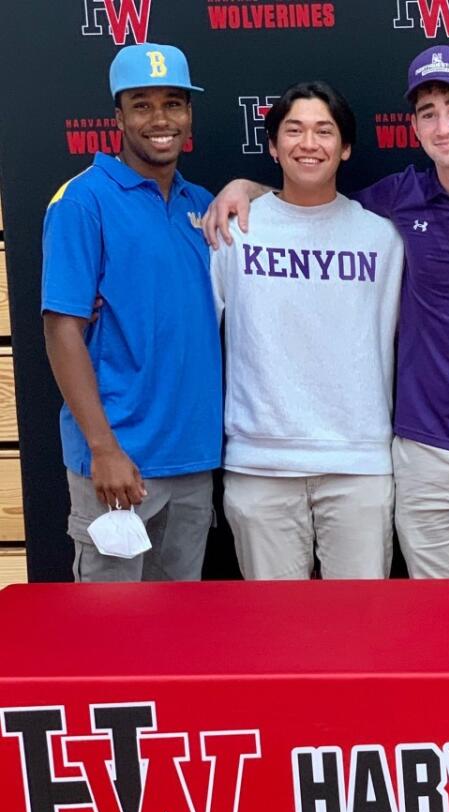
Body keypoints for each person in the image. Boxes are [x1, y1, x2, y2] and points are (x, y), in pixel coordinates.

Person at [205, 47, 449, 578]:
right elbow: (309, 194)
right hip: (422, 451)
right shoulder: (395, 202)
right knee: (432, 626)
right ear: (415, 129)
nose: (443, 125)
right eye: (428, 113)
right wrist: (246, 188)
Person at [210, 81, 404, 580]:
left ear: (346, 148)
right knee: (274, 636)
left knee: (361, 632)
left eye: (324, 131)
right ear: (273, 146)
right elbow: (190, 332)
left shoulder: (382, 237)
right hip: (260, 466)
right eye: (293, 131)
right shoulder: (233, 230)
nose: (308, 143)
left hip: (358, 463)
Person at [42, 43, 220, 582]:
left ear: (189, 114)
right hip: (119, 464)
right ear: (118, 117)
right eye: (142, 105)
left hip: (191, 460)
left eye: (174, 103)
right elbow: (61, 330)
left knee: (177, 633)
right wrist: (104, 449)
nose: (161, 120)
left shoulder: (201, 205)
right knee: (109, 638)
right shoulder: (82, 200)